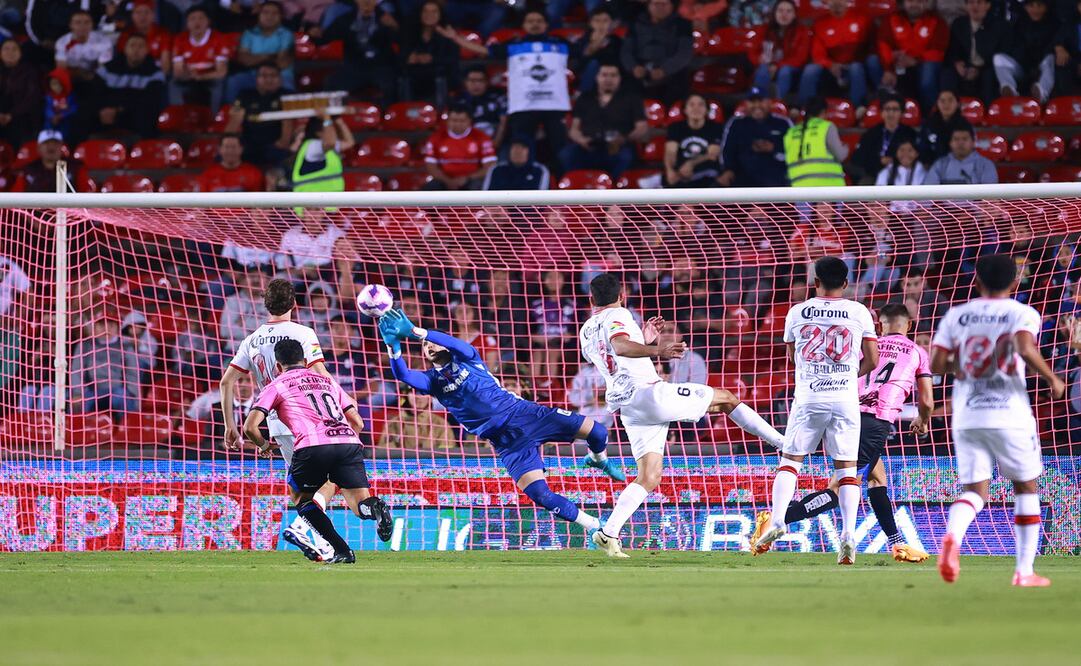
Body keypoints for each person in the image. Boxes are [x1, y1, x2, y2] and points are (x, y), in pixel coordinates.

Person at [583, 273, 786, 558]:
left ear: (591, 299)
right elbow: (619, 346)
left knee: (649, 476)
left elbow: (616, 356)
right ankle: (784, 444)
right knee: (726, 399)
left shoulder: (586, 330)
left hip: (627, 406)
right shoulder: (619, 313)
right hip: (650, 395)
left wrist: (644, 338)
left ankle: (608, 533)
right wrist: (658, 348)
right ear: (622, 296)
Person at [377, 307, 626, 533]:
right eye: (424, 346)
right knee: (540, 494)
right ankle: (594, 526)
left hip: (525, 415)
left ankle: (597, 460)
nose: (429, 347)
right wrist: (393, 347)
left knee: (598, 433)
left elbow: (454, 343)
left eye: (432, 343)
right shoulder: (432, 381)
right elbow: (405, 375)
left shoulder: (468, 357)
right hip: (505, 440)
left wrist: (416, 332)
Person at [221, 278, 390, 561]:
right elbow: (320, 371)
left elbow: (227, 383)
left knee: (304, 492)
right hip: (318, 420)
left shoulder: (250, 340)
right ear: (294, 304)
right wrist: (344, 403)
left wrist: (230, 426)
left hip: (277, 419)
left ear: (265, 305)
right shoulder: (302, 332)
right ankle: (312, 533)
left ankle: (310, 534)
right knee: (331, 477)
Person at [752, 303, 933, 563]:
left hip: (844, 411)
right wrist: (923, 420)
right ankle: (776, 520)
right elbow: (926, 401)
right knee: (840, 488)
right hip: (875, 421)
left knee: (877, 478)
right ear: (911, 325)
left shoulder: (866, 345)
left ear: (879, 325)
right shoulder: (917, 351)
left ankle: (897, 544)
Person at [930, 254, 1065, 586]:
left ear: (976, 281)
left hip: (967, 413)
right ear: (1015, 283)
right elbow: (1023, 346)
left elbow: (935, 364)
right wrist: (1052, 378)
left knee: (975, 490)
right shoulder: (1022, 312)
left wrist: (961, 368)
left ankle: (953, 537)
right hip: (1009, 412)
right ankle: (1024, 571)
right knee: (1025, 485)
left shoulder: (956, 315)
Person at [751, 256, 879, 564]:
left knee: (791, 461)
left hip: (809, 397)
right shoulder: (859, 311)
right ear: (846, 284)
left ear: (815, 282)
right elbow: (873, 359)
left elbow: (792, 356)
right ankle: (848, 535)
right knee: (847, 470)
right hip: (845, 398)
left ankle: (779, 519)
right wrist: (847, 376)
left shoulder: (798, 311)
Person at [243, 339, 393, 564]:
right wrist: (343, 444)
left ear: (277, 366)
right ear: (305, 361)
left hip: (312, 446)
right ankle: (377, 508)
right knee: (361, 505)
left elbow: (249, 427)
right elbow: (358, 422)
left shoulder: (276, 384)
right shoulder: (326, 381)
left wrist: (264, 446)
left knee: (302, 500)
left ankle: (343, 551)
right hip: (348, 442)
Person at [446, 10, 571, 158]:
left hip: (554, 106)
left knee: (561, 150)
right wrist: (456, 38)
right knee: (522, 151)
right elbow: (485, 50)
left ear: (546, 24)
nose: (535, 24)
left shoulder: (560, 43)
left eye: (539, 21)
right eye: (530, 21)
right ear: (524, 25)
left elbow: (586, 51)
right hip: (523, 106)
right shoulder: (514, 45)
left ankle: (562, 179)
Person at [561, 64, 649, 178]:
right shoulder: (584, 98)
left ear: (619, 78)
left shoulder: (632, 98)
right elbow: (574, 129)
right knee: (566, 154)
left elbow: (641, 127)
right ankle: (578, 188)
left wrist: (624, 139)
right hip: (588, 146)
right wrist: (581, 140)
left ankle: (614, 190)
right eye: (604, 75)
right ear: (597, 77)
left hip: (617, 147)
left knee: (626, 157)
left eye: (613, 75)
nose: (608, 79)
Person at [800, 0, 879, 108]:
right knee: (810, 70)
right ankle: (806, 109)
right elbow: (817, 54)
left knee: (856, 67)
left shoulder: (862, 19)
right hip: (831, 70)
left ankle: (858, 108)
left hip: (858, 66)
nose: (837, 3)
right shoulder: (820, 24)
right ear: (827, 3)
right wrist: (830, 65)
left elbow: (874, 46)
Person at [317, 0, 398, 100]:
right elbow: (323, 38)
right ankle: (333, 115)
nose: (366, 3)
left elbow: (403, 40)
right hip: (354, 68)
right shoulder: (345, 20)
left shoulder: (387, 19)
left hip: (381, 67)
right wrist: (315, 33)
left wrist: (395, 27)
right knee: (332, 83)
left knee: (392, 84)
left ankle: (388, 114)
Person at [876, 0, 948, 111]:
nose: (914, 4)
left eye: (919, 1)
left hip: (924, 64)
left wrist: (915, 60)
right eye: (910, 1)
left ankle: (930, 113)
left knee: (928, 72)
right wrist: (888, 68)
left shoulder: (937, 21)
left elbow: (938, 51)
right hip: (899, 63)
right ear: (903, 3)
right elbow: (883, 44)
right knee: (874, 62)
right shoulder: (891, 19)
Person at [620, 0, 695, 104]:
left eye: (664, 4)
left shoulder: (683, 24)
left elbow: (684, 53)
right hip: (640, 71)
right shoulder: (636, 23)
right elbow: (626, 50)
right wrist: (633, 67)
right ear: (648, 5)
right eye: (656, 4)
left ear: (672, 6)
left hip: (670, 73)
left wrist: (665, 70)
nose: (660, 7)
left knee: (680, 80)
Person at [93, 34, 166, 139]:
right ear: (125, 49)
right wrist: (104, 109)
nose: (136, 50)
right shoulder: (107, 69)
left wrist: (118, 110)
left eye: (140, 46)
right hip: (106, 110)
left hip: (133, 113)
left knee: (146, 114)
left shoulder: (155, 73)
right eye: (132, 46)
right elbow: (96, 93)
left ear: (147, 50)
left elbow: (150, 99)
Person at [719, 87, 792, 187]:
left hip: (777, 185)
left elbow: (794, 152)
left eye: (761, 101)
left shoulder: (783, 123)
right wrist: (728, 170)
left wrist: (774, 148)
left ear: (769, 102)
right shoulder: (736, 124)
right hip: (742, 186)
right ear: (746, 104)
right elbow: (727, 151)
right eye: (752, 101)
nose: (757, 105)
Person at [224, 63, 294, 168]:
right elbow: (235, 122)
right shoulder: (245, 95)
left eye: (273, 76)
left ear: (280, 79)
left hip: (274, 145)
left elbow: (288, 122)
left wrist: (284, 142)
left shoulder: (287, 95)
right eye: (264, 76)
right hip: (249, 145)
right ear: (256, 78)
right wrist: (230, 145)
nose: (269, 79)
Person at [225, 0, 295, 103]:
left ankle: (289, 117)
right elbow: (243, 59)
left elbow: (281, 62)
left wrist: (255, 58)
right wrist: (269, 56)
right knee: (234, 81)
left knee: (287, 86)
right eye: (265, 12)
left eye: (274, 13)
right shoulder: (249, 34)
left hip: (280, 76)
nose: (269, 16)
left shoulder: (287, 34)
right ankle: (232, 115)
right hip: (254, 76)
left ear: (281, 16)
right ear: (259, 15)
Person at [993, 0, 1059, 102]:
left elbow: (1053, 47)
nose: (1035, 10)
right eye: (1031, 6)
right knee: (998, 58)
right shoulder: (1019, 23)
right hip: (1023, 68)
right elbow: (1016, 48)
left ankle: (1041, 92)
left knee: (1050, 58)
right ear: (1025, 7)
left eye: (1039, 5)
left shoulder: (1054, 24)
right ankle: (1009, 89)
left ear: (1046, 7)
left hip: (1043, 67)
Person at [943, 0, 1006, 104]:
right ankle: (949, 111)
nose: (975, 6)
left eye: (979, 2)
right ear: (966, 6)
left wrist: (979, 68)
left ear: (988, 5)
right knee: (947, 74)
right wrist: (957, 63)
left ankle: (988, 114)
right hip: (965, 66)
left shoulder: (999, 26)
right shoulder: (958, 23)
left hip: (987, 66)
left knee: (988, 76)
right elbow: (952, 50)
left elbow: (1001, 54)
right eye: (971, 2)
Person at [421, 104, 496, 191]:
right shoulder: (436, 138)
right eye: (454, 120)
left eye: (462, 121)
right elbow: (431, 166)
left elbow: (489, 165)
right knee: (430, 187)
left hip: (471, 180)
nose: (457, 124)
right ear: (448, 121)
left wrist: (467, 178)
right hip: (444, 180)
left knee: (478, 186)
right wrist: (448, 181)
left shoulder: (481, 137)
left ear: (469, 121)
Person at [849, 93, 919, 185]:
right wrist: (879, 161)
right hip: (873, 174)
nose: (891, 113)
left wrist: (893, 161)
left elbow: (914, 157)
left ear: (901, 113)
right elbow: (858, 159)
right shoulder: (871, 133)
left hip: (900, 174)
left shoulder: (909, 134)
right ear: (882, 112)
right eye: (887, 109)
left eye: (895, 109)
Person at [170, 6, 230, 112]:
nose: (197, 22)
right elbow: (177, 70)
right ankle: (178, 120)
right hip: (189, 77)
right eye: (192, 19)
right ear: (187, 23)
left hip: (210, 77)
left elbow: (221, 71)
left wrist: (201, 77)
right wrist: (187, 75)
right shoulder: (180, 39)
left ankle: (213, 119)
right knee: (173, 85)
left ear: (208, 21)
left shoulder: (219, 38)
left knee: (219, 85)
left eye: (201, 18)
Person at [398, 1, 458, 107]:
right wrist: (410, 58)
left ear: (440, 15)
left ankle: (440, 110)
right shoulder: (410, 32)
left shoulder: (447, 33)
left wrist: (431, 59)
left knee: (442, 76)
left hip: (438, 74)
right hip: (414, 74)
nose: (429, 15)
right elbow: (401, 56)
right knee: (403, 76)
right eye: (425, 11)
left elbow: (452, 59)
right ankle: (407, 110)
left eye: (434, 11)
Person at [750, 0, 811, 101]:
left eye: (788, 11)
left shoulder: (802, 31)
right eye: (780, 11)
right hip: (768, 66)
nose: (784, 15)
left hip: (792, 70)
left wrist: (777, 66)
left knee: (784, 71)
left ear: (794, 15)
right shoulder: (764, 29)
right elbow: (753, 52)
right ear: (774, 13)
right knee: (762, 70)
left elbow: (800, 58)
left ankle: (777, 104)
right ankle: (758, 103)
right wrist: (759, 60)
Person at [782, 96, 848, 187]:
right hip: (829, 189)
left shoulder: (791, 132)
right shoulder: (826, 127)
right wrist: (846, 146)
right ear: (824, 112)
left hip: (800, 191)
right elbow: (841, 155)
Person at [665, 93, 725, 188]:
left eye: (701, 105)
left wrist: (691, 163)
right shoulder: (675, 127)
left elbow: (712, 154)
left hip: (706, 171)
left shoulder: (715, 128)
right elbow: (670, 152)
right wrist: (670, 170)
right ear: (685, 110)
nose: (696, 108)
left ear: (707, 110)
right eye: (691, 105)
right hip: (681, 171)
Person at [290, 114, 353, 196]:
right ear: (318, 133)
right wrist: (326, 117)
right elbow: (330, 143)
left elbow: (349, 142)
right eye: (330, 127)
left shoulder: (327, 148)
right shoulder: (313, 146)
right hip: (310, 206)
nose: (333, 131)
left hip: (325, 206)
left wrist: (339, 121)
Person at [12, 129, 92, 192]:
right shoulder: (28, 170)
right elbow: (15, 199)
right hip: (35, 212)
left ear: (61, 147)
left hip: (69, 212)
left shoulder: (75, 167)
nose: (51, 147)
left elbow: (88, 195)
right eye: (46, 143)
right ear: (38, 148)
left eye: (55, 143)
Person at [379, 387, 457, 449]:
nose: (419, 397)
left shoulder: (441, 425)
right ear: (405, 395)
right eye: (414, 392)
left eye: (424, 393)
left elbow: (446, 457)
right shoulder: (393, 424)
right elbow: (384, 453)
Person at [0, 39, 42, 148]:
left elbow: (32, 97)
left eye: (14, 49)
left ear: (20, 53)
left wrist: (11, 115)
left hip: (20, 118)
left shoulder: (29, 71)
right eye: (6, 49)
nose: (10, 52)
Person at [572, 6, 623, 95]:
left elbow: (615, 63)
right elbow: (578, 64)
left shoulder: (617, 41)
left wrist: (601, 41)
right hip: (586, 79)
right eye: (597, 20)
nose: (601, 24)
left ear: (612, 23)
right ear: (591, 23)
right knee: (593, 64)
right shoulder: (582, 41)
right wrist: (594, 44)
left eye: (605, 21)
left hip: (610, 77)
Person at [923, 125, 998, 185]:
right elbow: (927, 196)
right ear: (950, 143)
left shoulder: (986, 165)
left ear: (973, 142)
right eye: (956, 139)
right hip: (946, 204)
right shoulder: (940, 165)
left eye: (965, 139)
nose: (960, 143)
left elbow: (990, 199)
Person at [455, 66, 506, 149]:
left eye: (480, 81)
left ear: (487, 82)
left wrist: (495, 143)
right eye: (472, 81)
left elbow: (504, 122)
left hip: (498, 141)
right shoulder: (459, 100)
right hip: (467, 143)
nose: (476, 84)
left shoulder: (498, 97)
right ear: (465, 82)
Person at [117, 0, 173, 75]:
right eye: (138, 12)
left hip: (154, 77)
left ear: (153, 15)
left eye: (147, 12)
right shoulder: (126, 34)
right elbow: (121, 61)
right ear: (132, 15)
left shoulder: (163, 33)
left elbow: (165, 66)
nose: (142, 16)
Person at [917, 89, 971, 166]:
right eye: (942, 101)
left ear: (958, 104)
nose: (946, 104)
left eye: (950, 100)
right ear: (937, 103)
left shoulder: (964, 125)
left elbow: (966, 151)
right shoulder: (929, 123)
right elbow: (923, 148)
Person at [198, 134, 266, 192]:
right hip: (217, 208)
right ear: (220, 149)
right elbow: (201, 203)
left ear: (241, 149)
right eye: (227, 147)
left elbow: (258, 204)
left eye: (234, 147)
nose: (230, 151)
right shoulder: (208, 174)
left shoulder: (254, 173)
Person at [483, 136, 550, 190]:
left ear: (530, 151)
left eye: (522, 147)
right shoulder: (496, 169)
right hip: (499, 206)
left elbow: (540, 201)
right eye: (514, 147)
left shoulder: (539, 170)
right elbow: (486, 196)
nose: (517, 151)